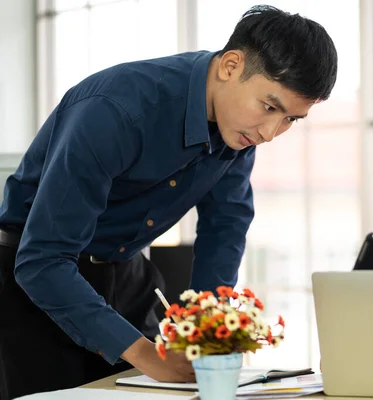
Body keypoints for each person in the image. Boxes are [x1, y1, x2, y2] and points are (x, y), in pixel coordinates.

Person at [0, 5, 337, 399]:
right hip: (36, 284)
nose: (270, 132)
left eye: (290, 120)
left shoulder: (240, 129)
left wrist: (211, 334)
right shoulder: (115, 110)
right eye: (270, 107)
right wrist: (146, 354)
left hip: (126, 274)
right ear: (231, 66)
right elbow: (43, 260)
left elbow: (224, 228)